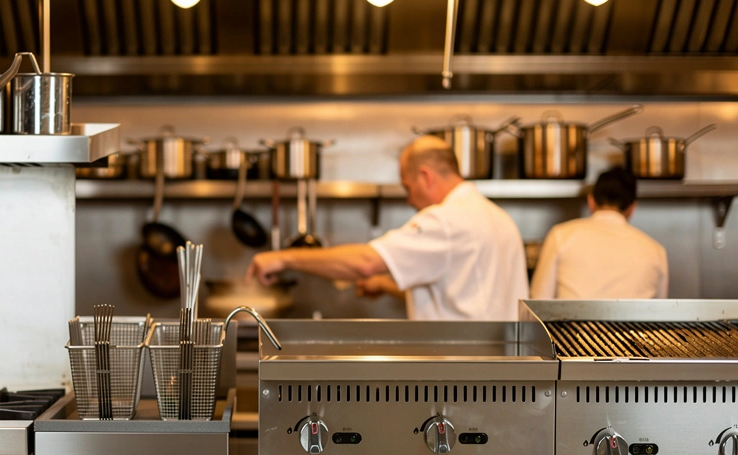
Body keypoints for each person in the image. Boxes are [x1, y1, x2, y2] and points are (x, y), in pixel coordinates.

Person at [245, 136, 529, 320]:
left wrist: (282, 258)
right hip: (501, 376)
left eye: (408, 187)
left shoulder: (446, 220)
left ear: (425, 176)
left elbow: (365, 262)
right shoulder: (497, 218)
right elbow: (464, 297)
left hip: (462, 378)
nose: (409, 200)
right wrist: (385, 285)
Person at [530, 166, 668, 300]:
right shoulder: (656, 251)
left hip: (571, 318)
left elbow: (538, 301)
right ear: (632, 208)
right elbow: (661, 311)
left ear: (591, 202)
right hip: (635, 319)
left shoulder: (561, 236)